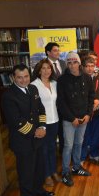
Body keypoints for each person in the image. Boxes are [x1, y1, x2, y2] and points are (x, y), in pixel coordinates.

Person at [2, 64, 54, 196]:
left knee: (39, 168)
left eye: (26, 76)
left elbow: (41, 109)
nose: (24, 80)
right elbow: (16, 121)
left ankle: (38, 189)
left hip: (38, 137)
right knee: (26, 172)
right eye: (19, 77)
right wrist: (35, 131)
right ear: (13, 77)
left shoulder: (33, 89)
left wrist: (43, 127)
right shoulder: (8, 96)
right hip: (22, 141)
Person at [57, 52, 95, 187]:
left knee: (79, 143)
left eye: (75, 62)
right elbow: (60, 102)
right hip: (69, 120)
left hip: (83, 118)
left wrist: (88, 114)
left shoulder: (87, 78)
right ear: (67, 64)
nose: (72, 65)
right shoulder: (61, 80)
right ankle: (66, 171)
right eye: (69, 62)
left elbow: (91, 97)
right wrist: (71, 118)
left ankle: (77, 167)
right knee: (68, 146)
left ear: (79, 63)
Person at [31, 59, 60, 187]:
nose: (46, 71)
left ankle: (53, 171)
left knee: (52, 148)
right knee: (43, 149)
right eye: (43, 68)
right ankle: (46, 174)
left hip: (55, 120)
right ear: (38, 70)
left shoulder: (54, 83)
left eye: (48, 68)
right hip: (43, 123)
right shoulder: (34, 85)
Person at [80, 57, 99, 164]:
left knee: (96, 134)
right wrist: (90, 103)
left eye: (92, 66)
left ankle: (94, 153)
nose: (90, 68)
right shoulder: (80, 77)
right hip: (85, 111)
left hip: (98, 110)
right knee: (85, 135)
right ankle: (82, 156)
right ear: (83, 67)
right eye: (87, 66)